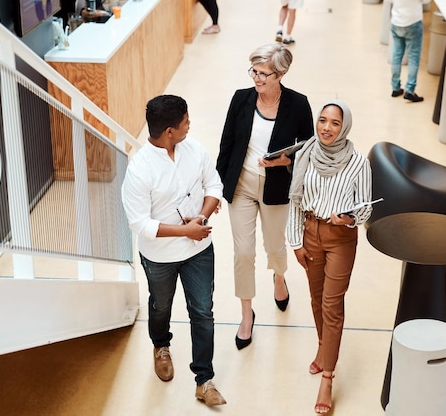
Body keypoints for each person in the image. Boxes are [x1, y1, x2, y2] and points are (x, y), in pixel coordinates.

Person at [121, 95, 226, 407]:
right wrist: (186, 230)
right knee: (160, 307)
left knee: (203, 311)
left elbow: (214, 186)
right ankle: (161, 346)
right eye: (185, 122)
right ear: (169, 131)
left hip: (199, 250)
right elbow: (140, 223)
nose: (189, 124)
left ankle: (204, 380)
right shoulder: (139, 169)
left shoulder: (194, 150)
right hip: (160, 257)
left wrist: (202, 218)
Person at [216, 43, 314, 350]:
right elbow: (226, 145)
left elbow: (310, 152)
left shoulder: (298, 105)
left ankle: (279, 277)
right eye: (254, 72)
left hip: (276, 189)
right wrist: (218, 189)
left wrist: (286, 161)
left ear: (281, 73)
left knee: (275, 247)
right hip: (242, 185)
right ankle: (247, 314)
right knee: (243, 253)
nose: (257, 79)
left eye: (264, 74)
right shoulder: (241, 99)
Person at [287, 101, 373, 415]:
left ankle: (328, 376)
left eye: (334, 123)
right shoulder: (305, 155)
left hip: (340, 239)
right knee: (315, 297)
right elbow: (296, 201)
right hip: (310, 232)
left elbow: (366, 208)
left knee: (331, 305)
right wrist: (296, 241)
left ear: (344, 127)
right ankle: (324, 347)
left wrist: (349, 217)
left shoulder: (358, 163)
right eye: (322, 121)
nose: (326, 128)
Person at [388, 0, 431, 102]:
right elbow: (426, 0)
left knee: (397, 55)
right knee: (413, 57)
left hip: (396, 21)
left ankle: (395, 87)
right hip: (413, 22)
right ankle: (410, 90)